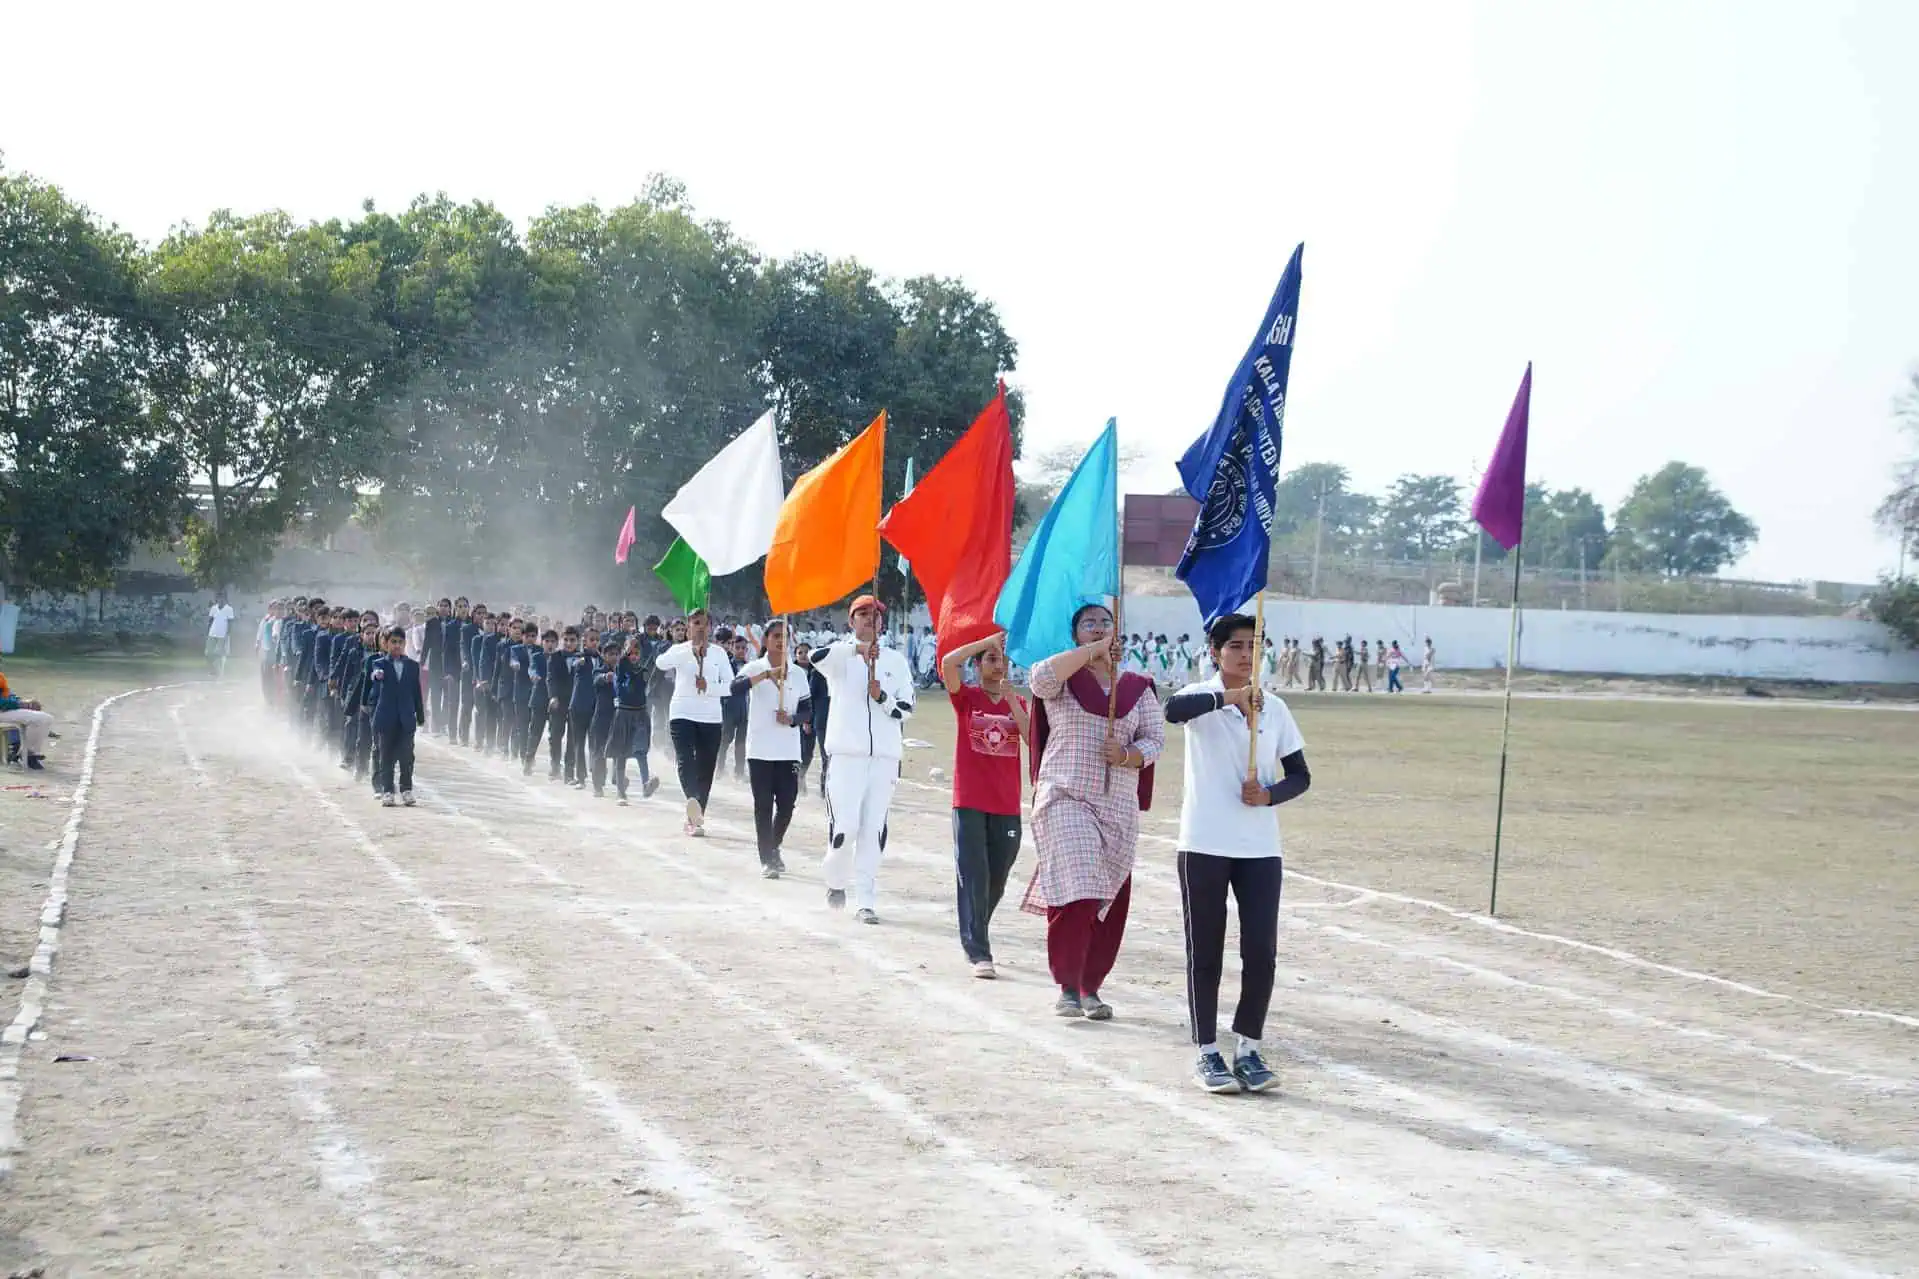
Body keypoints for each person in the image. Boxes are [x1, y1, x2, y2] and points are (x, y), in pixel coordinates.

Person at [1162, 613, 1311, 1094]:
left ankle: (1248, 1047)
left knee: (1261, 952)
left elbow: (1300, 775)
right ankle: (1207, 1051)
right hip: (1204, 843)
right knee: (1205, 951)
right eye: (1237, 646)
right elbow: (1172, 711)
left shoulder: (1276, 709)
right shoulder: (1200, 698)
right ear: (1215, 652)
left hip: (1260, 849)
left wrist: (1269, 795)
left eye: (1254, 645)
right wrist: (1233, 698)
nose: (1247, 655)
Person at [1020, 603, 1164, 1020]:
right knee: (1078, 887)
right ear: (1076, 634)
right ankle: (1067, 985)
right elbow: (1039, 679)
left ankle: (1090, 986)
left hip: (1117, 804)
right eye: (1089, 624)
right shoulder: (1062, 679)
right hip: (1065, 796)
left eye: (1105, 623)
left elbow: (1155, 738)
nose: (1099, 628)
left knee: (1108, 896)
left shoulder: (1136, 687)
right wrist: (1091, 653)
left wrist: (1128, 755)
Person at [811, 595, 917, 923]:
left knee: (873, 829)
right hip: (847, 756)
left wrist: (882, 697)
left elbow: (907, 707)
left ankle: (866, 900)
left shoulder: (896, 661)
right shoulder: (840, 656)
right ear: (851, 620)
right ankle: (835, 880)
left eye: (876, 615)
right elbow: (815, 658)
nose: (871, 619)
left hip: (884, 758)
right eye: (863, 614)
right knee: (846, 827)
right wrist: (857, 650)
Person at [941, 632, 1029, 979]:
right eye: (990, 659)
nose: (998, 664)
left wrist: (1011, 701)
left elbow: (1032, 739)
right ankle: (979, 950)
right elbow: (949, 663)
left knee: (998, 877)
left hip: (1006, 804)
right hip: (970, 801)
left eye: (1002, 658)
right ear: (977, 665)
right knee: (974, 874)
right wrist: (986, 642)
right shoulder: (967, 698)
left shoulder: (1018, 701)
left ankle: (974, 925)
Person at [731, 620, 810, 878]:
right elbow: (734, 689)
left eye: (784, 636)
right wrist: (766, 675)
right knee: (763, 806)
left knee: (787, 805)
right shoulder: (755, 667)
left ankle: (773, 846)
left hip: (788, 751)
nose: (780, 641)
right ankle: (767, 858)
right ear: (765, 640)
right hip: (760, 751)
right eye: (775, 636)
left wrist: (792, 719)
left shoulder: (798, 673)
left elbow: (807, 710)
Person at [656, 608, 732, 835]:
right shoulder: (679, 650)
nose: (701, 627)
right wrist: (689, 652)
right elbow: (661, 663)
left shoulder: (719, 654)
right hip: (682, 713)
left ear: (711, 628)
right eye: (696, 623)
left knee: (706, 767)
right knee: (685, 759)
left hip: (711, 717)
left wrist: (709, 687)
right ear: (688, 626)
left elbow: (731, 686)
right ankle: (693, 799)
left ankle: (696, 818)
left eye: (705, 624)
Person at [367, 626, 426, 807]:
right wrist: (377, 675)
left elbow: (416, 692)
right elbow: (374, 675)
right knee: (386, 756)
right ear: (385, 644)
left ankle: (406, 789)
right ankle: (387, 790)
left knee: (407, 755)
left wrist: (420, 715)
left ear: (405, 643)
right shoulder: (380, 664)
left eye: (400, 642)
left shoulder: (412, 666)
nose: (397, 645)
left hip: (406, 717)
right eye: (393, 642)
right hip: (386, 717)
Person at [607, 634, 662, 804]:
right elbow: (623, 663)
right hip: (623, 713)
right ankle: (620, 792)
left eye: (637, 653)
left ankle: (646, 784)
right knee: (621, 753)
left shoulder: (644, 671)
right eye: (630, 653)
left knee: (640, 751)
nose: (634, 656)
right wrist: (628, 648)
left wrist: (644, 643)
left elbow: (652, 659)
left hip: (640, 714)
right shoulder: (621, 667)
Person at [0, 657, 54, 771]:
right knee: (41, 719)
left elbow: (8, 695)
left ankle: (22, 751)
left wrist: (24, 702)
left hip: (5, 710)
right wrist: (20, 704)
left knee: (45, 718)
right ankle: (24, 753)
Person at [719, 631, 751, 782]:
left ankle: (739, 772)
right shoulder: (726, 665)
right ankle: (719, 769)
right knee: (725, 740)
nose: (740, 650)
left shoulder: (750, 667)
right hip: (728, 707)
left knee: (741, 742)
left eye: (743, 648)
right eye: (737, 647)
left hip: (744, 708)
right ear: (731, 648)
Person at [206, 591, 237, 678]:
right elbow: (210, 620)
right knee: (208, 653)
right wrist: (207, 632)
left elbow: (230, 623)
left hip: (222, 635)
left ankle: (219, 671)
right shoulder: (214, 608)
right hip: (212, 633)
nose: (220, 600)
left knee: (218, 653)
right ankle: (213, 669)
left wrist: (228, 634)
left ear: (225, 599)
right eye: (219, 598)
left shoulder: (229, 609)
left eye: (222, 598)